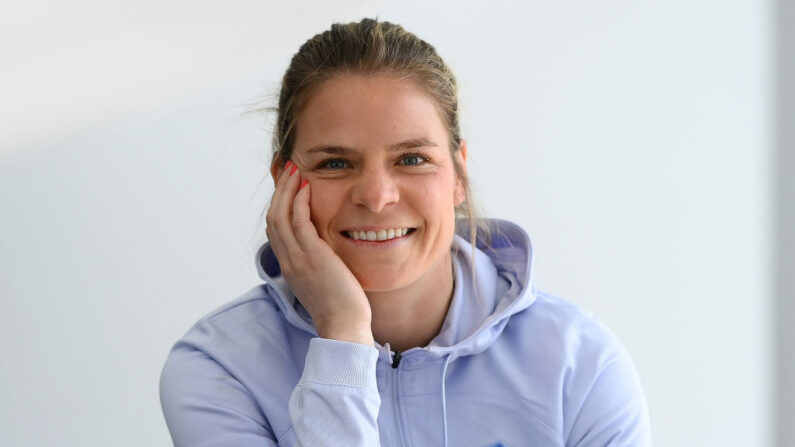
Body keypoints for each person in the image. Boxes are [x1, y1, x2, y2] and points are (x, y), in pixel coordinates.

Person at [159, 18, 652, 447]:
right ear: (283, 181)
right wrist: (343, 333)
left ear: (458, 174)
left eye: (412, 159)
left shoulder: (581, 366)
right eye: (335, 162)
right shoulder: (219, 369)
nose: (376, 196)